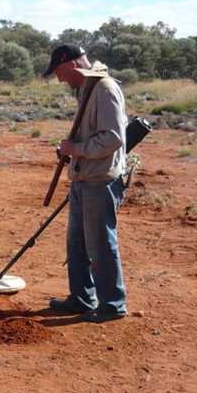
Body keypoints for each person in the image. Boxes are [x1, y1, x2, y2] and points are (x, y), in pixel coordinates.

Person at [43, 44, 129, 323]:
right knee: (77, 245)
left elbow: (113, 137)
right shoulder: (88, 89)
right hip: (84, 178)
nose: (59, 79)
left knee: (101, 245)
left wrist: (76, 149)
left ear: (69, 64)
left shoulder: (104, 89)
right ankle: (80, 298)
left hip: (100, 180)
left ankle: (112, 306)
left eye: (58, 71)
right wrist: (72, 150)